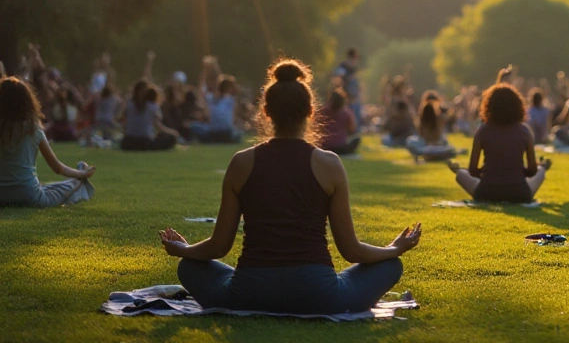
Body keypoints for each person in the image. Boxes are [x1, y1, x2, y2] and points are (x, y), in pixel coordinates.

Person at [160, 60, 419, 315]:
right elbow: (351, 250)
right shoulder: (329, 164)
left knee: (188, 267)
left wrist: (184, 250)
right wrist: (393, 249)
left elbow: (218, 247)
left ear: (266, 112)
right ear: (310, 111)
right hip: (320, 296)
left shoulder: (241, 163)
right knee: (391, 266)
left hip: (248, 294)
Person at [0, 77, 96, 207]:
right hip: (30, 196)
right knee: (70, 185)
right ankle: (80, 173)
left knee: (45, 187)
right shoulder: (33, 129)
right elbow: (58, 168)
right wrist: (83, 174)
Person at [446, 84, 551, 203]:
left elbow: (472, 171)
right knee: (540, 171)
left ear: (489, 105)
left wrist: (489, 172)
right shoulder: (524, 131)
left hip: (486, 193)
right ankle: (543, 167)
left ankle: (458, 170)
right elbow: (532, 171)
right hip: (520, 193)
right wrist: (517, 171)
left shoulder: (483, 130)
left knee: (461, 174)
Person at [121, 83, 181, 151]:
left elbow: (124, 125)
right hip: (145, 142)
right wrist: (173, 133)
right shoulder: (153, 107)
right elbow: (159, 127)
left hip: (128, 142)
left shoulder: (129, 106)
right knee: (171, 137)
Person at [407, 91, 456, 162]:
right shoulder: (439, 118)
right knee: (448, 147)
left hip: (428, 146)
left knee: (411, 142)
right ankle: (435, 154)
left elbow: (421, 133)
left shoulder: (436, 118)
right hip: (433, 145)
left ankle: (431, 154)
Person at [191, 76, 242, 144]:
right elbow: (233, 119)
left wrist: (204, 74)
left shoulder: (211, 98)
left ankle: (211, 140)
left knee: (194, 126)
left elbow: (201, 92)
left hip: (213, 132)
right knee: (239, 131)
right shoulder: (232, 100)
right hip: (227, 133)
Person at [317, 87, 360, 156]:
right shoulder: (346, 113)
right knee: (357, 139)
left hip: (325, 147)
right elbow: (352, 129)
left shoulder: (322, 111)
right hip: (341, 147)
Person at [381, 78, 417, 147]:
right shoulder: (395, 101)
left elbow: (412, 114)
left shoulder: (405, 100)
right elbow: (394, 114)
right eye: (403, 88)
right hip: (398, 129)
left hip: (406, 130)